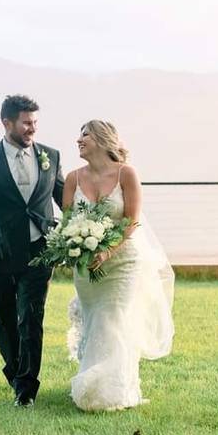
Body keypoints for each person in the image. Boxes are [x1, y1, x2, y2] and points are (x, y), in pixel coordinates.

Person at [0, 95, 65, 407]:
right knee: (4, 319)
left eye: (35, 122)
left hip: (39, 252)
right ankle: (16, 372)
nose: (32, 129)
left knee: (31, 318)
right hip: (0, 253)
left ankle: (27, 388)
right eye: (26, 123)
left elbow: (65, 200)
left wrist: (82, 233)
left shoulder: (51, 156)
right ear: (7, 123)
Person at [63, 120, 175, 411]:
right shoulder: (73, 178)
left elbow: (132, 220)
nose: (79, 140)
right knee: (93, 321)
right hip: (86, 268)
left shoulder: (126, 174)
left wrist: (108, 251)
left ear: (101, 139)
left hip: (123, 262)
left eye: (85, 135)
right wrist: (75, 248)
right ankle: (91, 386)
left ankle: (111, 391)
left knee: (113, 320)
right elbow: (66, 222)